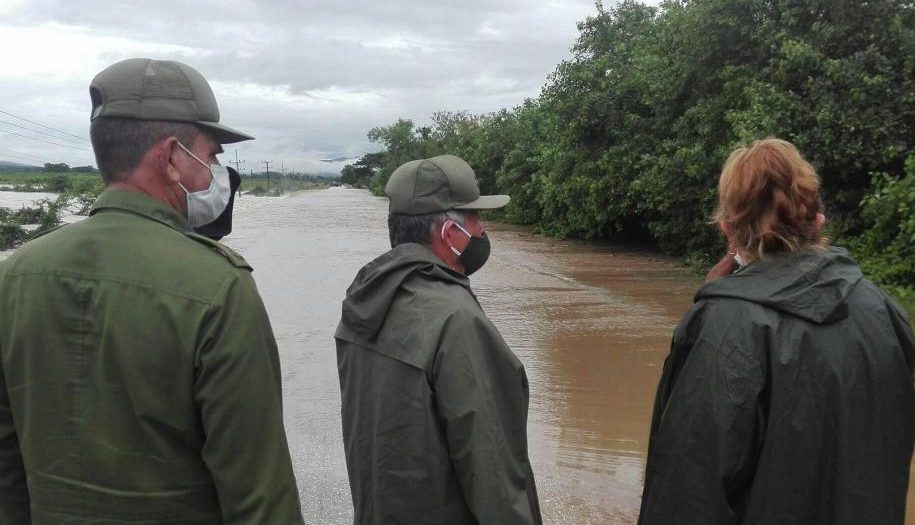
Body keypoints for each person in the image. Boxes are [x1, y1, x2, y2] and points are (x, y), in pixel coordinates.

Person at [0, 58, 303, 524]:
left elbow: (7, 472)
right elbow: (260, 497)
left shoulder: (15, 276)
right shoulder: (219, 288)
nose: (218, 172)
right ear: (172, 158)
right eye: (213, 154)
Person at [638, 138, 914, 525]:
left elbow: (688, 495)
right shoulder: (887, 313)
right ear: (817, 221)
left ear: (727, 229)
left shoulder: (723, 327)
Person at [335, 155, 542, 525]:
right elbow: (494, 477)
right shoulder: (456, 320)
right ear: (449, 234)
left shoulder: (363, 303)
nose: (482, 230)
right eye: (476, 218)